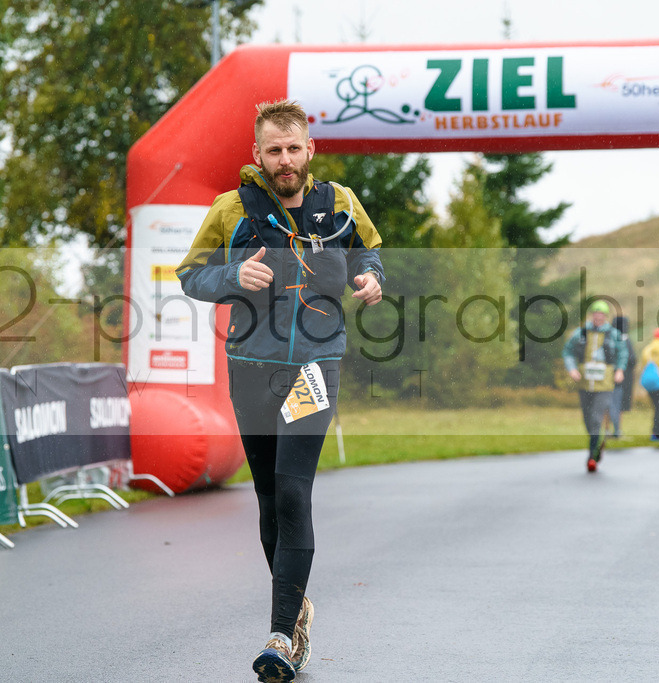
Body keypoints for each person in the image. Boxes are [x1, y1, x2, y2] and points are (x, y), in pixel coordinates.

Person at [176, 99, 384, 683]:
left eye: (294, 149)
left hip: (316, 366)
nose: (285, 161)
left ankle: (279, 636)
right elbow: (191, 274)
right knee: (268, 498)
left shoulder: (340, 203)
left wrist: (371, 277)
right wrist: (231, 276)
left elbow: (369, 251)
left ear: (310, 150)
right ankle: (296, 613)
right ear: (258, 155)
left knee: (294, 493)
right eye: (274, 151)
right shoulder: (230, 209)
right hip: (251, 368)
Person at [561, 300, 628, 472]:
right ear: (591, 315)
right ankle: (598, 443)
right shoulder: (581, 333)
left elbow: (623, 353)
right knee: (588, 420)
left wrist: (620, 370)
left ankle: (592, 457)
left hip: (604, 385)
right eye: (595, 314)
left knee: (597, 419)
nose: (598, 317)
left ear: (606, 317)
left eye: (601, 315)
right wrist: (572, 368)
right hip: (584, 383)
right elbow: (567, 351)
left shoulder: (613, 334)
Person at [604, 315, 637, 438]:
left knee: (608, 403)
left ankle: (607, 429)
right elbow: (632, 359)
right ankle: (617, 430)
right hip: (623, 377)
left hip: (608, 375)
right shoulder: (624, 339)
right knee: (619, 404)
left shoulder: (608, 338)